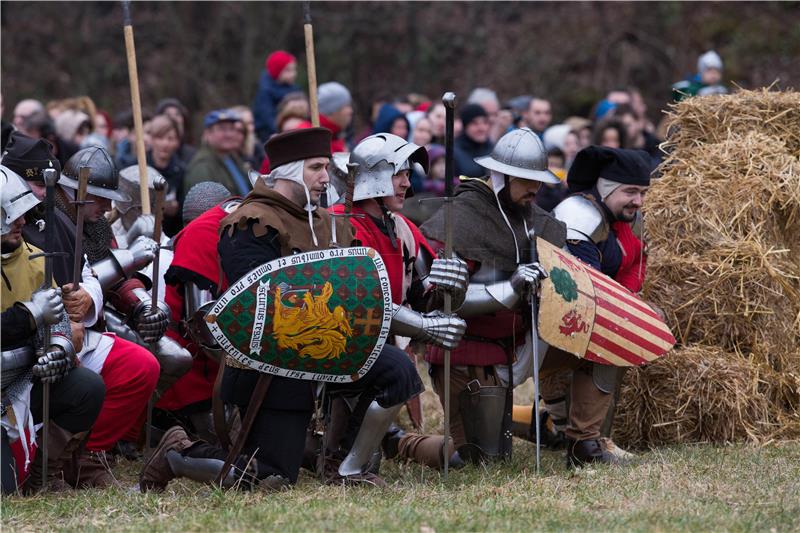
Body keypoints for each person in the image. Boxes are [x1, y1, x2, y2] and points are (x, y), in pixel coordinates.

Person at [140, 127, 463, 491]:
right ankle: (177, 453)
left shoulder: (326, 223)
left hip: (320, 348)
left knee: (396, 369)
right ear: (289, 170)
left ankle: (346, 467)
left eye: (326, 166)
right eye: (315, 168)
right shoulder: (251, 222)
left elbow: (355, 293)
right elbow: (261, 307)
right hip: (268, 366)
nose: (326, 177)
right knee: (269, 477)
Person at [395, 128, 566, 468]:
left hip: (514, 349)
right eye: (525, 179)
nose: (535, 188)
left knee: (492, 456)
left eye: (538, 180)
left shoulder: (534, 219)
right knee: (477, 461)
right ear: (502, 176)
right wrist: (513, 287)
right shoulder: (463, 219)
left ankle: (572, 432)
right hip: (465, 352)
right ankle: (401, 443)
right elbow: (445, 300)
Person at [14, 139, 162, 485]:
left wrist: (94, 299)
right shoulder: (25, 225)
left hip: (86, 327)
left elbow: (97, 273)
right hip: (31, 337)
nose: (107, 206)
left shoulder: (84, 224)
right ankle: (40, 463)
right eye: (99, 197)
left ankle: (91, 456)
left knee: (144, 364)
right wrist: (63, 326)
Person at [519, 145, 655, 466]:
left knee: (623, 326)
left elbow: (631, 270)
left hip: (573, 323)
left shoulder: (623, 218)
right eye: (630, 191)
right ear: (605, 189)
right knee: (615, 336)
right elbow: (583, 291)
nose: (639, 201)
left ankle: (575, 434)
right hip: (540, 329)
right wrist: (629, 311)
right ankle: (584, 442)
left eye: (643, 192)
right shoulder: (579, 215)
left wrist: (634, 304)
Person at [1, 165, 106, 494]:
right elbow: (33, 315)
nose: (22, 222)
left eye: (23, 213)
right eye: (12, 215)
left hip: (21, 380)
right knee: (4, 490)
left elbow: (58, 316)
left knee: (86, 386)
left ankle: (41, 476)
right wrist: (30, 314)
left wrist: (59, 348)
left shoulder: (32, 257)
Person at [183, 109, 250, 197]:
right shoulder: (202, 167)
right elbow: (204, 208)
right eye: (222, 129)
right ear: (208, 134)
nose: (229, 134)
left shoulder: (232, 158)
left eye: (232, 128)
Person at [146, 114, 186, 236]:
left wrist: (175, 210)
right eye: (160, 138)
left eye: (170, 138)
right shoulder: (139, 168)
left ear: (177, 142)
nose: (165, 143)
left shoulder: (181, 171)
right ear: (152, 139)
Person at [252, 50, 300, 142]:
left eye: (294, 69)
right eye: (288, 70)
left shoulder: (295, 90)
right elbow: (267, 119)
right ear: (277, 71)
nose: (294, 74)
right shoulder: (265, 92)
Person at [453, 104, 493, 178]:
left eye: (485, 122)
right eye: (475, 123)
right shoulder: (454, 151)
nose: (482, 128)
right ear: (465, 126)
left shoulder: (494, 149)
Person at [154, 98, 196, 164]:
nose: (174, 118)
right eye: (168, 114)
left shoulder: (192, 155)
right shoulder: (147, 155)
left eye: (177, 114)